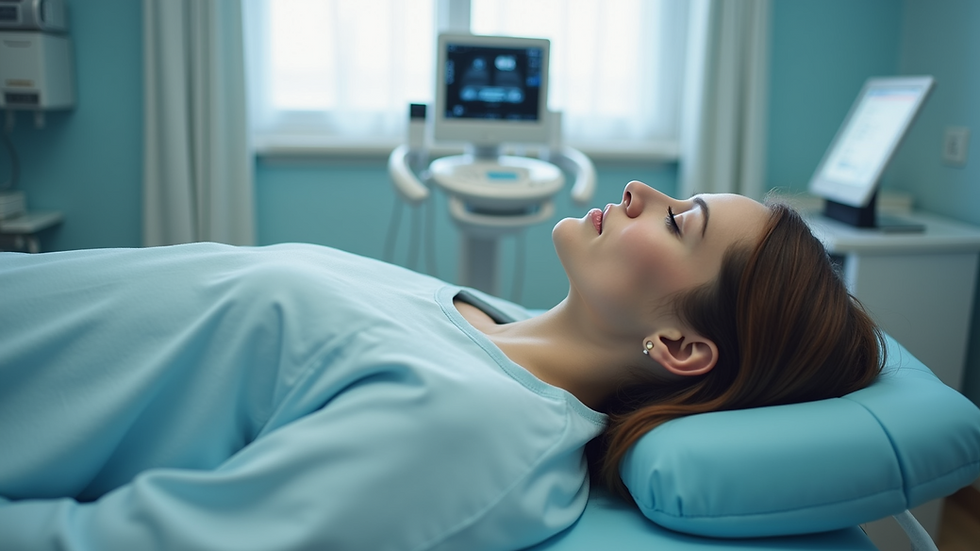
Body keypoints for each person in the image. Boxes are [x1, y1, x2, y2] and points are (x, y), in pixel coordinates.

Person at [0, 181, 883, 551]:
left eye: (681, 220)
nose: (642, 193)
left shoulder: (475, 430)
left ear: (685, 348)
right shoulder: (477, 316)